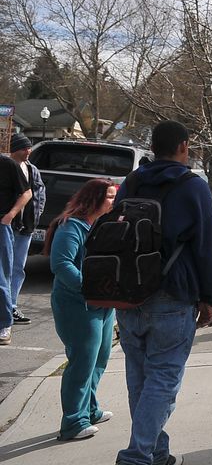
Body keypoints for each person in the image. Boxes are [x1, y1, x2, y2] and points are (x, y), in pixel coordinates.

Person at [114, 120, 212, 465]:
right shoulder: (192, 187)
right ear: (183, 146)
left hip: (128, 293)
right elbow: (208, 247)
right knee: (163, 380)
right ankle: (136, 455)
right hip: (172, 294)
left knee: (140, 379)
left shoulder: (131, 182)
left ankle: (156, 452)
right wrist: (210, 298)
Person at [45, 178, 117, 441]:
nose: (114, 201)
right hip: (77, 305)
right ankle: (73, 422)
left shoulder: (98, 224)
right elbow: (62, 265)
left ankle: (89, 409)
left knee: (99, 359)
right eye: (110, 196)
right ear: (94, 199)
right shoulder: (70, 227)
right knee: (82, 362)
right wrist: (89, 291)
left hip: (103, 304)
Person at [0, 133, 35, 346]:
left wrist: (10, 215)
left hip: (2, 224)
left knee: (2, 277)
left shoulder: (7, 165)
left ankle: (4, 324)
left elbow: (27, 193)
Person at [6, 134, 44, 330]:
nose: (29, 151)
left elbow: (39, 193)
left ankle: (11, 305)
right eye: (25, 148)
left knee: (17, 268)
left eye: (30, 147)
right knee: (4, 268)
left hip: (25, 228)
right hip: (7, 226)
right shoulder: (6, 167)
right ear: (15, 149)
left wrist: (35, 216)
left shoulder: (31, 169)